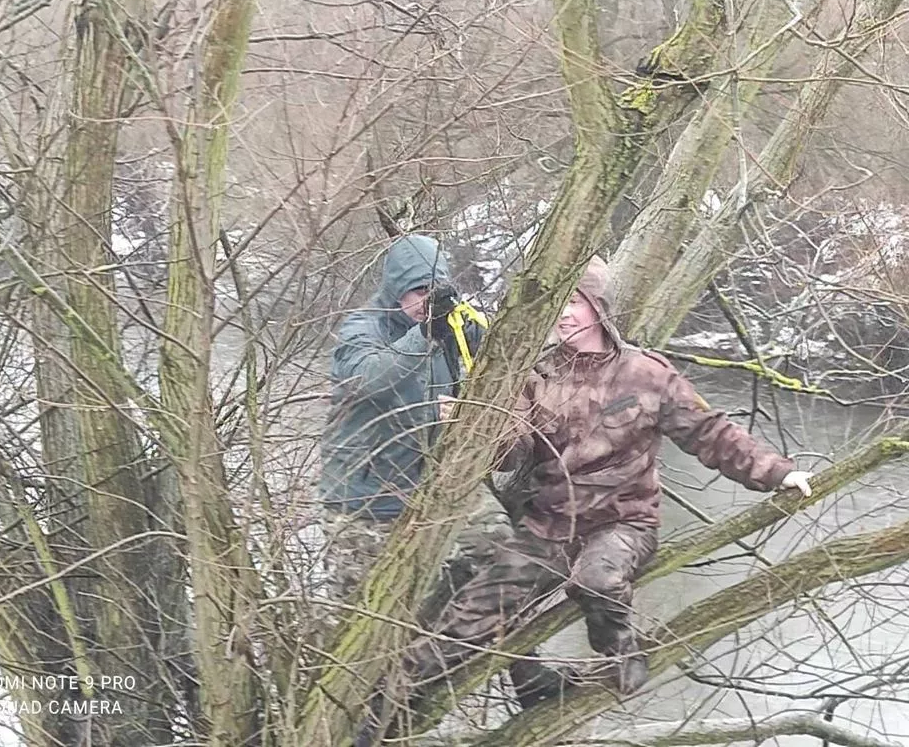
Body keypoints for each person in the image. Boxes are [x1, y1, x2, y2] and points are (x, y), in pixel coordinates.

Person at [406, 254, 814, 702]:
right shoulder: (536, 375)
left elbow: (710, 433)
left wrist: (778, 472)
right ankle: (388, 707)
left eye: (575, 302)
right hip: (548, 526)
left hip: (623, 522)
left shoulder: (647, 374)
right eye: (559, 303)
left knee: (597, 580)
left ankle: (619, 647)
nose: (563, 314)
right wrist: (473, 427)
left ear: (599, 305)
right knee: (469, 616)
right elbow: (510, 454)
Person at [318, 233, 510, 619]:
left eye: (434, 292)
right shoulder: (361, 330)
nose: (426, 301)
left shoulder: (450, 326)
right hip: (365, 501)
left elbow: (499, 351)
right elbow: (370, 380)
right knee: (358, 616)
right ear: (396, 289)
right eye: (418, 291)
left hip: (432, 483)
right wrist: (424, 336)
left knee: (499, 548)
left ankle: (457, 639)